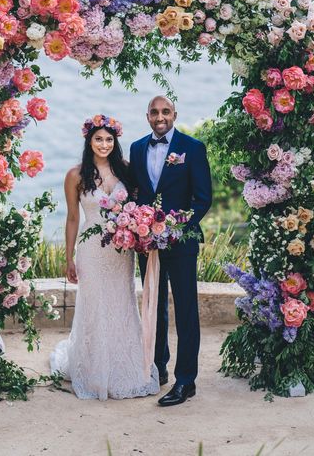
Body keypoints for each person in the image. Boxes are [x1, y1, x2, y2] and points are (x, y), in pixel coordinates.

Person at [50, 114, 159, 400]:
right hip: (91, 250)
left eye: (109, 139)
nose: (104, 144)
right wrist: (69, 257)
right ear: (89, 140)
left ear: (115, 141)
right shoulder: (75, 175)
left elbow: (137, 206)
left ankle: (126, 367)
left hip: (121, 250)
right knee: (95, 305)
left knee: (121, 303)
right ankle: (94, 369)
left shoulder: (125, 169)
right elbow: (73, 218)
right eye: (98, 138)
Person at [130, 96, 212, 407]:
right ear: (147, 116)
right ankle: (158, 367)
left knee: (186, 308)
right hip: (147, 243)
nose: (160, 116)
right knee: (154, 305)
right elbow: (136, 193)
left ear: (175, 114)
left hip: (181, 242)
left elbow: (203, 198)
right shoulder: (137, 148)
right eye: (155, 112)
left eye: (165, 111)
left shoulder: (192, 148)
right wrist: (136, 224)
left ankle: (186, 380)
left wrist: (178, 227)